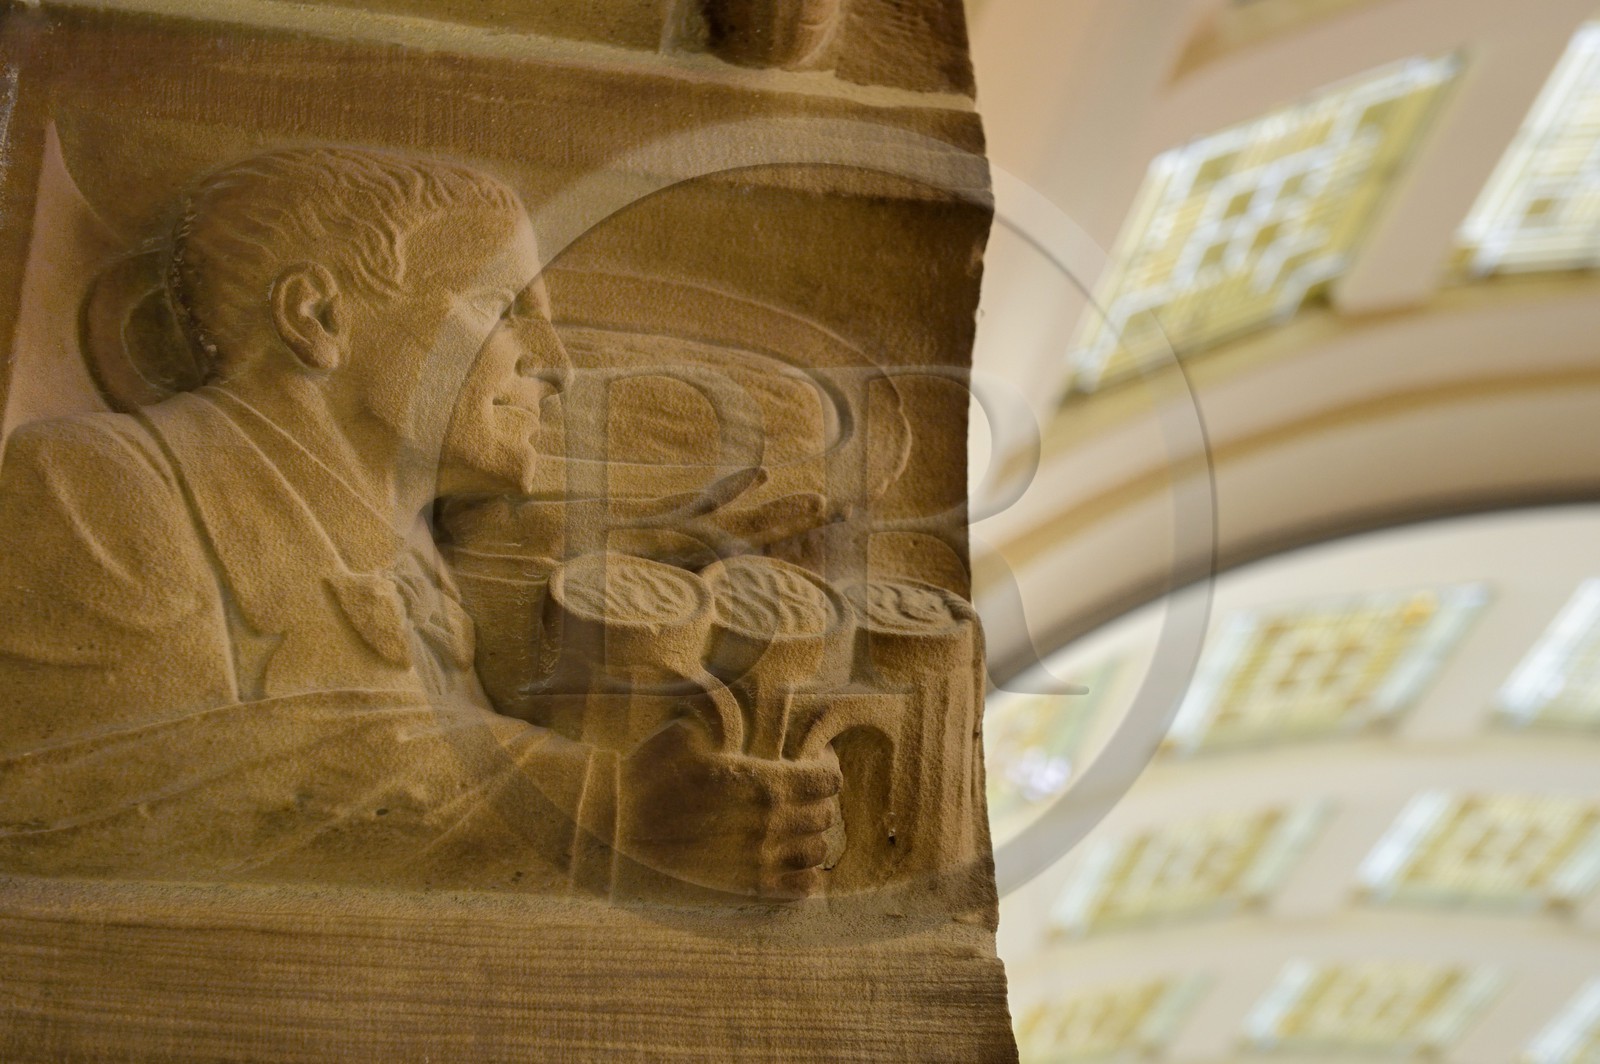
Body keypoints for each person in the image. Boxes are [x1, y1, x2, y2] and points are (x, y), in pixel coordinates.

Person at [0, 147, 838, 900]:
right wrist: (602, 811)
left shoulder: (425, 581)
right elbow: (106, 780)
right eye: (500, 305)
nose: (552, 359)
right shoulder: (96, 481)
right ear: (318, 319)